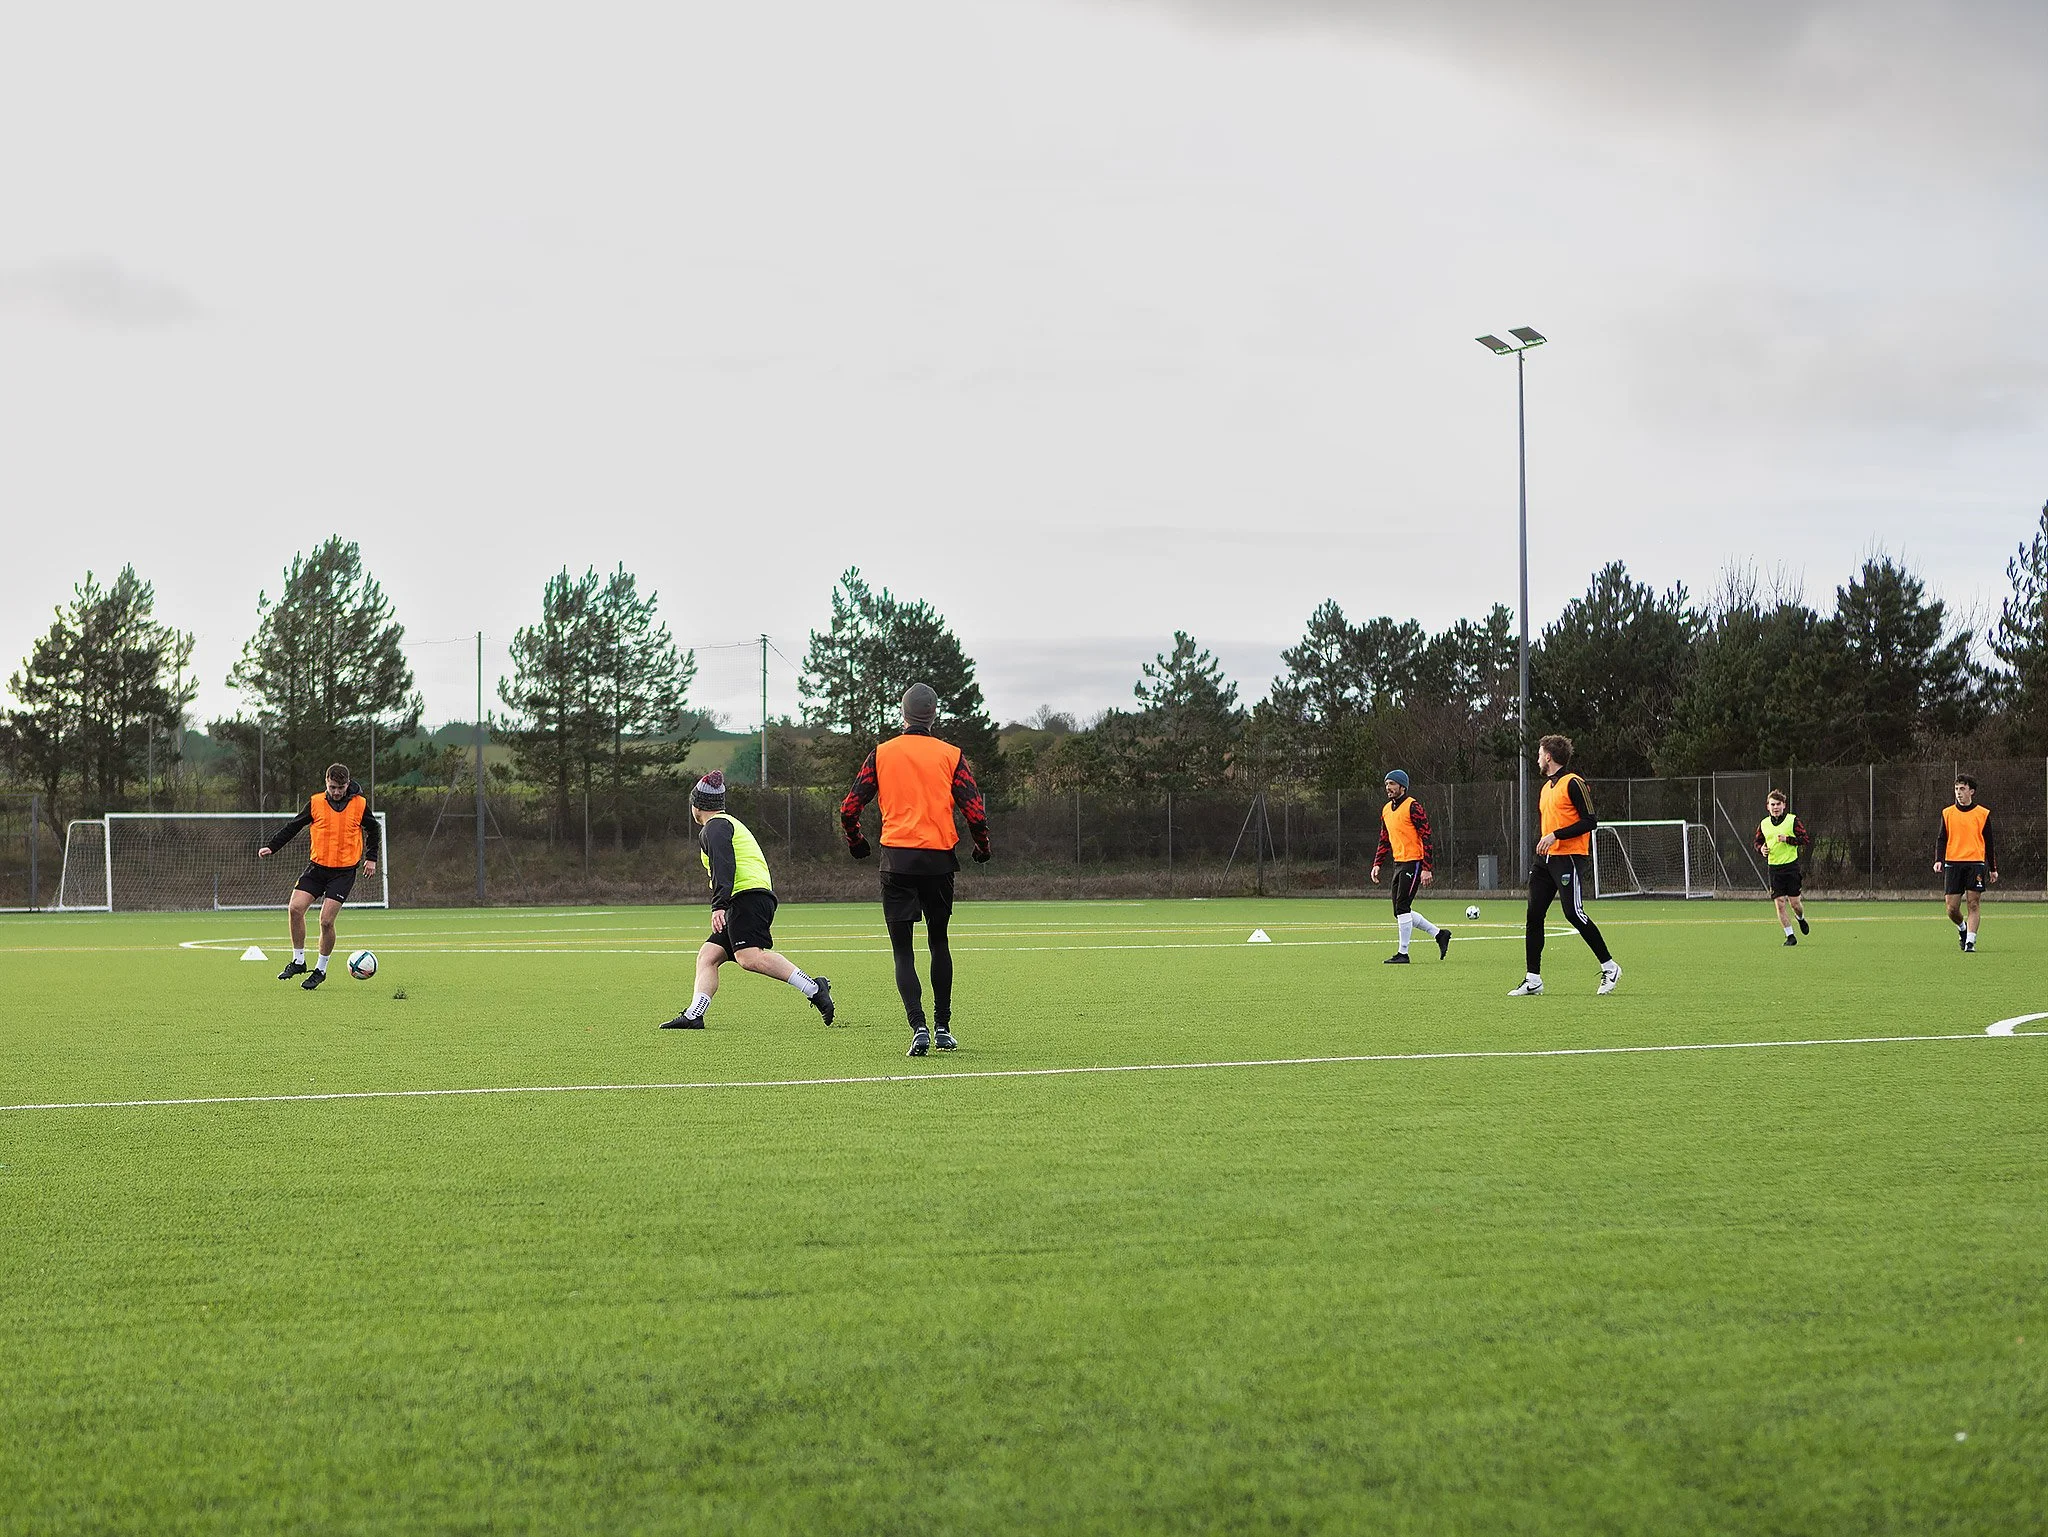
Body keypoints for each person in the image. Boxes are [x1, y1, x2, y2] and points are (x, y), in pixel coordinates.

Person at [840, 682, 991, 1057]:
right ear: (934, 715)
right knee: (939, 942)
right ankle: (943, 1027)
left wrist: (857, 842)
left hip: (897, 861)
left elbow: (849, 808)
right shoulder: (951, 755)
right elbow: (975, 811)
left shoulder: (882, 754)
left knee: (902, 953)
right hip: (938, 860)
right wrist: (982, 847)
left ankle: (918, 1027)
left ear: (903, 713)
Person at [659, 771, 835, 1029]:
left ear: (697, 805)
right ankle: (694, 1015)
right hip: (746, 897)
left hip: (746, 897)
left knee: (749, 957)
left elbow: (724, 865)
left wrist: (718, 905)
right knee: (709, 955)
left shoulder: (715, 827)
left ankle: (813, 988)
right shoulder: (725, 824)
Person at [1509, 734, 1622, 997]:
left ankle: (1610, 966)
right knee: (1534, 914)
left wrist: (1555, 835)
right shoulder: (1546, 788)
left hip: (1568, 857)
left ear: (1548, 756)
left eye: (1539, 754)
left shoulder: (1574, 783)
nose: (1537, 758)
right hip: (1544, 861)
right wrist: (1547, 839)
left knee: (1573, 913)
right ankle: (1533, 979)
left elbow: (1590, 821)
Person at [258, 762, 381, 991]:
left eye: (341, 787)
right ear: (326, 782)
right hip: (317, 869)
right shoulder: (315, 803)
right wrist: (272, 847)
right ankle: (298, 961)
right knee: (295, 908)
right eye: (333, 787)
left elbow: (374, 829)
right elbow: (293, 827)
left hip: (343, 873)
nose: (336, 792)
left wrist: (371, 857)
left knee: (325, 921)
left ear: (347, 784)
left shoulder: (359, 804)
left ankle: (320, 970)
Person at [1369, 769, 1451, 964]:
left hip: (1414, 862)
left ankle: (1403, 953)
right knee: (1399, 911)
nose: (1388, 787)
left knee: (1403, 906)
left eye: (1392, 784)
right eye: (1387, 784)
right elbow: (1384, 839)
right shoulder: (1386, 810)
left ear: (1402, 787)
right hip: (1399, 863)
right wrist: (1377, 864)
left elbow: (1426, 836)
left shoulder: (1413, 806)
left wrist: (1426, 867)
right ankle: (1439, 934)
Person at [1934, 774, 1997, 954]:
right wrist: (1939, 860)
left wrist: (1993, 869)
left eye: (1962, 789)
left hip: (1975, 863)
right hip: (1953, 863)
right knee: (1952, 908)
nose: (1958, 793)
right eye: (1956, 789)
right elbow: (1941, 839)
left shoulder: (1982, 814)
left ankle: (1970, 942)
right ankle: (1962, 928)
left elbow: (1990, 843)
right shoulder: (1947, 813)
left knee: (1973, 903)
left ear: (1971, 791)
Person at [1755, 790, 1813, 945]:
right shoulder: (1764, 824)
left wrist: (1788, 839)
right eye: (1772, 804)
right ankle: (1790, 936)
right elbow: (1758, 842)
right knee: (1780, 903)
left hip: (1791, 867)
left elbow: (1805, 839)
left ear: (1784, 806)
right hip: (1774, 869)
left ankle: (1800, 918)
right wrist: (1761, 849)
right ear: (1767, 806)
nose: (1775, 807)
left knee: (1795, 904)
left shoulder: (1792, 820)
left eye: (1778, 804)